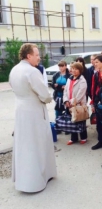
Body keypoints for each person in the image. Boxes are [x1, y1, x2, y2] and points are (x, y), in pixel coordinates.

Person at [9, 43, 57, 192]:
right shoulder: (32, 71)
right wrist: (48, 98)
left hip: (21, 111)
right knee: (37, 144)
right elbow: (44, 94)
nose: (39, 57)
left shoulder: (14, 70)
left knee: (24, 144)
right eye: (36, 55)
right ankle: (36, 180)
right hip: (34, 112)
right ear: (28, 56)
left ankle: (24, 180)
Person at [63, 62, 88, 145]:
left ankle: (83, 137)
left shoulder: (82, 80)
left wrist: (73, 101)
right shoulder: (69, 79)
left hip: (78, 104)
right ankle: (74, 138)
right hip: (69, 104)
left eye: (76, 69)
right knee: (72, 121)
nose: (73, 70)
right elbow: (66, 91)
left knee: (80, 120)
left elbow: (81, 93)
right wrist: (66, 100)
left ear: (80, 70)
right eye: (72, 68)